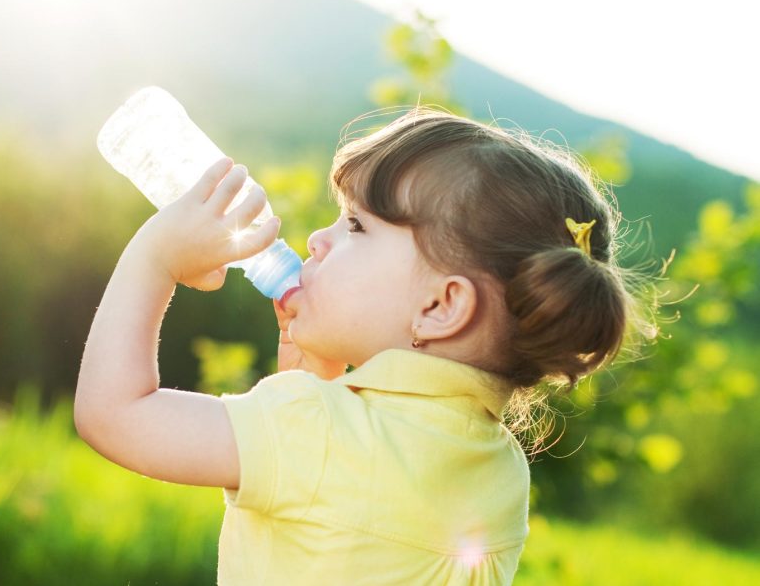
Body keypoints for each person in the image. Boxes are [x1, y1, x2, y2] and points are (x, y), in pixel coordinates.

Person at [74, 107, 655, 585]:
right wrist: (317, 377)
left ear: (440, 306)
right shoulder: (499, 473)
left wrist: (154, 260)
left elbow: (114, 414)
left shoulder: (312, 431)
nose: (317, 240)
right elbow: (356, 512)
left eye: (355, 226)